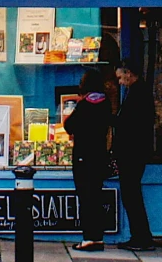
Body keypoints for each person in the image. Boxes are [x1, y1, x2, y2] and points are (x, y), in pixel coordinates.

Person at [62, 64, 116, 251]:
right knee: (96, 195)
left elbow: (69, 126)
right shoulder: (106, 103)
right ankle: (98, 237)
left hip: (84, 156)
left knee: (86, 198)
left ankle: (89, 238)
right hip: (99, 155)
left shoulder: (84, 105)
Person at [112, 60, 156, 250]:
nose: (120, 82)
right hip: (134, 151)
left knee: (131, 194)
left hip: (132, 152)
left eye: (121, 77)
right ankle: (139, 235)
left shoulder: (138, 93)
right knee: (131, 194)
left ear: (129, 73)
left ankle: (141, 237)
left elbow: (131, 124)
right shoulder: (138, 91)